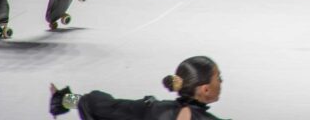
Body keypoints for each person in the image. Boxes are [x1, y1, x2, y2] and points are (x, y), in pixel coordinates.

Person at [49, 55, 226, 119]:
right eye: (218, 77)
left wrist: (64, 99)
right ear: (205, 89)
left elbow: (99, 104)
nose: (221, 81)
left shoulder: (152, 109)